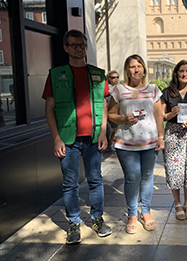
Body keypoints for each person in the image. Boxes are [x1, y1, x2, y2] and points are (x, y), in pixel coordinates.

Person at [43, 29, 112, 245]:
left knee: (95, 180)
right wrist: (56, 138)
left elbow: (104, 105)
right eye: (74, 45)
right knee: (70, 184)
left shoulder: (98, 75)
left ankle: (97, 218)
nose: (79, 49)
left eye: (82, 44)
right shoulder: (56, 74)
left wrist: (103, 131)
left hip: (92, 138)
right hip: (67, 139)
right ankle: (73, 222)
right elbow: (49, 108)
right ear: (66, 48)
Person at [108, 55, 164, 233]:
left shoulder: (153, 90)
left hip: (149, 142)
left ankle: (145, 212)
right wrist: (123, 118)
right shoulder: (118, 90)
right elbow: (110, 114)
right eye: (132, 67)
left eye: (139, 66)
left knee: (147, 178)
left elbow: (158, 116)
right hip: (126, 143)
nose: (136, 69)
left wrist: (161, 136)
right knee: (132, 179)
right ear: (127, 70)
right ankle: (132, 214)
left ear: (144, 69)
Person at [161, 60, 187, 221]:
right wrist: (172, 114)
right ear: (176, 73)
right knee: (174, 170)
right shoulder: (167, 92)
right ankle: (177, 202)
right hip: (173, 133)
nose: (184, 74)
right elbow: (161, 116)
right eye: (181, 71)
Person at [106, 70, 119, 150]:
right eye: (113, 77)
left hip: (115, 112)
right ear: (109, 79)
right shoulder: (107, 88)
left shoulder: (119, 88)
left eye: (117, 77)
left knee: (116, 129)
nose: (116, 79)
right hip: (106, 111)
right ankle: (110, 144)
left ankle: (111, 143)